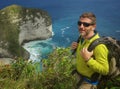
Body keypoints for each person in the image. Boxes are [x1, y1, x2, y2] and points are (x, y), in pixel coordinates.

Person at [71, 12, 109, 89]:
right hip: (78, 78)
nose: (81, 26)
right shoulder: (82, 38)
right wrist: (75, 49)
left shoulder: (99, 46)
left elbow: (105, 70)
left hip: (88, 84)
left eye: (86, 24)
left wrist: (88, 59)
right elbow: (81, 57)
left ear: (93, 27)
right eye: (79, 23)